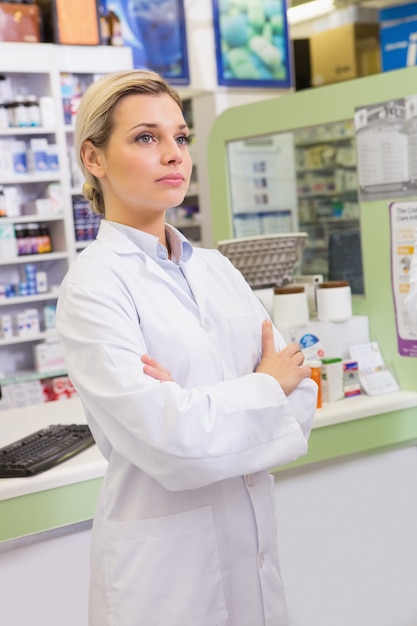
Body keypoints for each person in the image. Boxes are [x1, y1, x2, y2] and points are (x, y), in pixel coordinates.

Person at [55, 68, 318, 626]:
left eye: (180, 137)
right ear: (94, 158)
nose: (173, 154)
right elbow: (170, 444)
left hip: (254, 560)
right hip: (165, 582)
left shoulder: (218, 270)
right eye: (146, 137)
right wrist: (263, 387)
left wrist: (203, 406)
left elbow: (303, 395)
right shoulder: (93, 287)